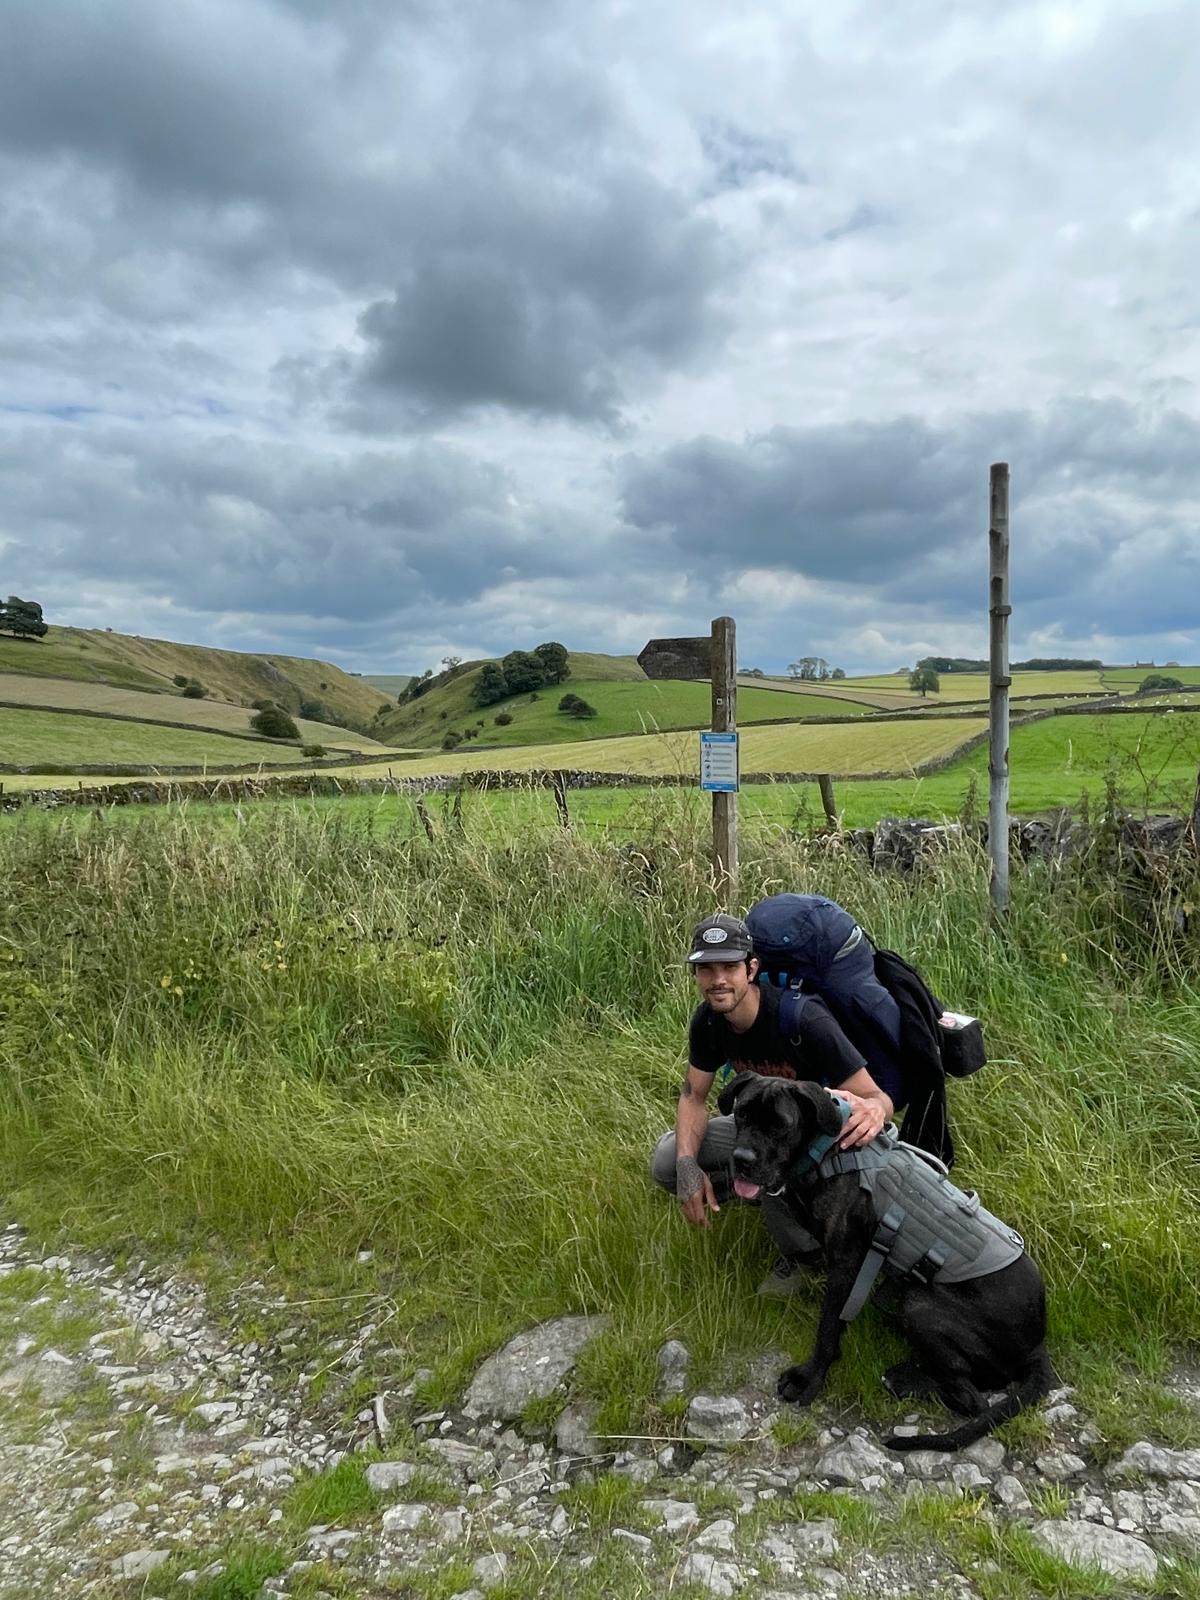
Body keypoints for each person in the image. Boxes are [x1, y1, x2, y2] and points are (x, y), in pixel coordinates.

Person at [650, 912, 895, 1296]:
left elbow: (874, 1096)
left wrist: (876, 1110)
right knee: (667, 1163)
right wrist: (687, 1169)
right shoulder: (709, 1022)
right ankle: (757, 1194)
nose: (718, 981)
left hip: (815, 1138)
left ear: (751, 969)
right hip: (759, 1128)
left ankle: (806, 1256)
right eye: (706, 969)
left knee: (770, 1156)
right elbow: (693, 1096)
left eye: (729, 967)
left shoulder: (802, 1019)